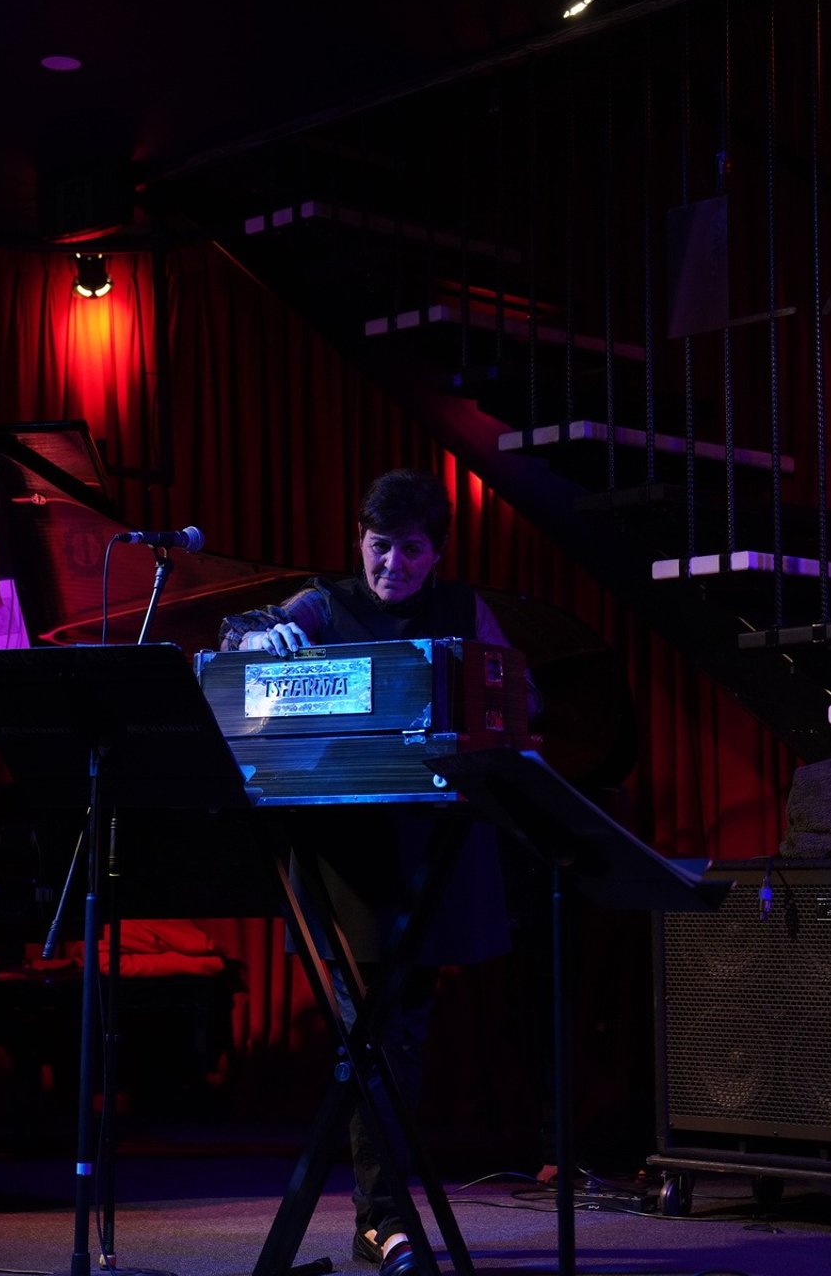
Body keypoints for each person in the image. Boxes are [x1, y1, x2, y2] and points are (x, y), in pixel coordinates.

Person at [218, 468, 519, 1276]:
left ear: (437, 553)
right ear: (362, 540)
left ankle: (378, 1222)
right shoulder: (325, 601)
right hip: (343, 856)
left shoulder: (464, 610)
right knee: (374, 1038)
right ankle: (384, 1221)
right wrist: (258, 639)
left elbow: (514, 692)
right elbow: (238, 634)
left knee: (397, 1038)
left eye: (411, 552)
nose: (392, 566)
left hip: (428, 854)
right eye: (379, 547)